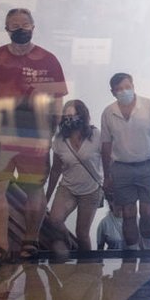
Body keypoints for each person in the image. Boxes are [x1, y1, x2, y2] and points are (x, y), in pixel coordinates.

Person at [0, 8, 68, 269]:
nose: (20, 29)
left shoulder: (48, 59)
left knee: (34, 189)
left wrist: (53, 129)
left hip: (35, 134)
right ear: (6, 29)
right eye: (14, 25)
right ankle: (1, 247)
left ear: (33, 26)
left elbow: (57, 99)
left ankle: (30, 241)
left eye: (25, 24)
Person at [100, 73, 150, 251]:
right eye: (119, 89)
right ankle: (132, 252)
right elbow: (106, 145)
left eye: (126, 87)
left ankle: (147, 249)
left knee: (147, 212)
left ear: (133, 86)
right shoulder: (109, 112)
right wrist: (106, 175)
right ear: (113, 92)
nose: (124, 91)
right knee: (128, 213)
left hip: (149, 165)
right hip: (121, 168)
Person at [44, 100, 104, 254]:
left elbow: (109, 161)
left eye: (72, 115)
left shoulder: (96, 135)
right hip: (68, 188)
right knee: (54, 220)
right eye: (66, 116)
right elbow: (56, 170)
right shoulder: (59, 141)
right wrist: (47, 196)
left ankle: (86, 266)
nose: (69, 119)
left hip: (91, 190)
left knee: (82, 234)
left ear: (82, 115)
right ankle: (68, 245)